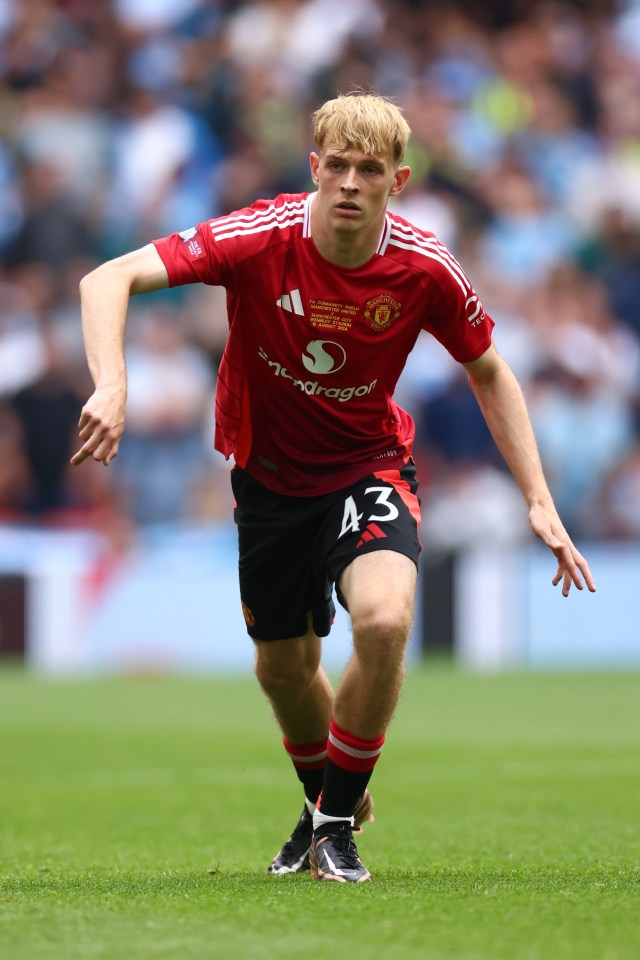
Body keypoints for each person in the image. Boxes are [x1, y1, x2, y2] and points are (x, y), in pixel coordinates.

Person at [71, 93, 596, 883]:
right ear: (315, 170)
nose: (350, 183)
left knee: (384, 622)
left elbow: (490, 369)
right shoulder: (259, 237)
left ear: (399, 181)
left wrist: (538, 499)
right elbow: (107, 278)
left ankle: (334, 824)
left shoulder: (426, 266)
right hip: (269, 479)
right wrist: (112, 385)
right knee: (283, 668)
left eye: (370, 170)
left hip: (367, 467)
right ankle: (327, 802)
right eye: (338, 167)